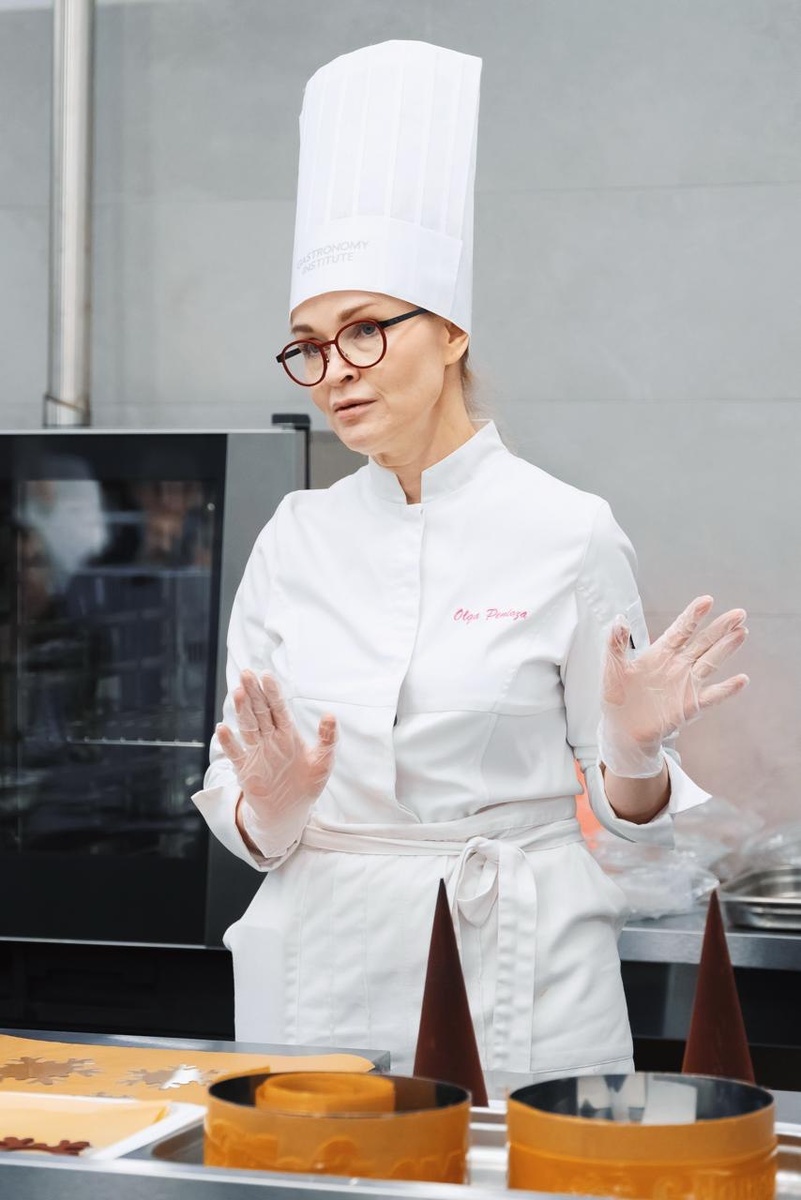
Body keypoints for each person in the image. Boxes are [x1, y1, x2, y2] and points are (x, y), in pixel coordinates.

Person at [193, 41, 748, 1091]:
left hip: (521, 969)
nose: (334, 371)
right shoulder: (293, 538)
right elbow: (240, 797)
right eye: (309, 345)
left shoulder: (568, 530)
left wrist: (632, 749)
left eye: (365, 330)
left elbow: (630, 821)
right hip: (318, 964)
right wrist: (272, 802)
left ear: (449, 333)